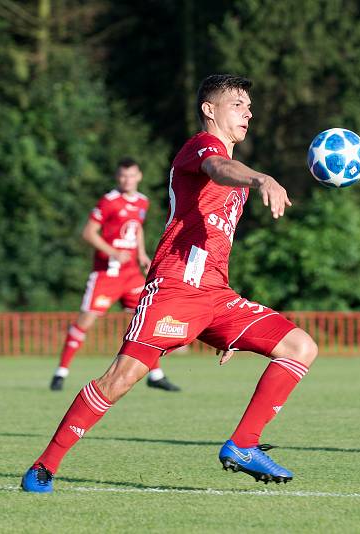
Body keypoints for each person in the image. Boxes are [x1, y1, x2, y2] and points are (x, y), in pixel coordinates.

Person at [21, 74, 318, 493]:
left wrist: (225, 329)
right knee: (119, 379)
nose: (248, 112)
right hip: (175, 289)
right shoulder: (202, 147)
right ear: (209, 110)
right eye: (238, 104)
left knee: (300, 346)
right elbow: (220, 168)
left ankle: (243, 444)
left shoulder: (238, 177)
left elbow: (215, 240)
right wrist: (260, 178)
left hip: (218, 295)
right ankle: (43, 467)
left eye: (250, 106)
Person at [50, 158, 180, 393]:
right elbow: (88, 233)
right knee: (85, 322)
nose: (126, 180)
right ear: (117, 177)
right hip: (107, 275)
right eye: (122, 176)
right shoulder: (108, 202)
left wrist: (141, 254)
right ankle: (61, 373)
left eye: (130, 175)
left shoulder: (142, 202)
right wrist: (112, 252)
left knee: (145, 321)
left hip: (131, 275)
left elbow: (137, 228)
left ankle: (156, 375)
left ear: (139, 176)